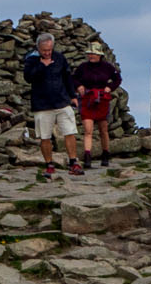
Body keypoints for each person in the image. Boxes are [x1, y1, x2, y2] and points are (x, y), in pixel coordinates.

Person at [23, 32, 83, 177]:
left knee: (69, 132)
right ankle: (49, 165)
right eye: (44, 50)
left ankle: (73, 162)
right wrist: (42, 66)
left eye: (50, 49)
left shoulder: (59, 58)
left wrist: (73, 96)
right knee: (45, 136)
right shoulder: (31, 60)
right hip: (42, 104)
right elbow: (28, 78)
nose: (48, 53)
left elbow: (67, 77)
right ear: (38, 48)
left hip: (62, 101)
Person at [74, 45, 122, 168]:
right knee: (88, 130)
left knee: (103, 130)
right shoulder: (83, 67)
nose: (91, 56)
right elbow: (73, 78)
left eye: (93, 53)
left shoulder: (107, 67)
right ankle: (87, 156)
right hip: (87, 99)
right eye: (89, 53)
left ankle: (105, 154)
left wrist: (110, 88)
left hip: (102, 99)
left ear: (100, 55)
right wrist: (79, 86)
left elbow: (117, 79)